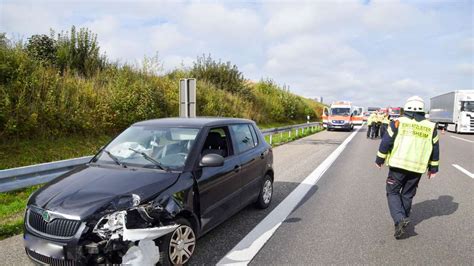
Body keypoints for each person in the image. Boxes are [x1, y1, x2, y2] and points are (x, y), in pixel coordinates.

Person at [375, 96, 439, 239]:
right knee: (407, 195)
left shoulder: (398, 122)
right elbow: (435, 149)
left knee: (392, 192)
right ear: (423, 109)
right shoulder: (431, 126)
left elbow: (386, 142)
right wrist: (433, 168)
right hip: (417, 168)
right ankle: (402, 219)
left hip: (398, 165)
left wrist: (380, 159)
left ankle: (400, 219)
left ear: (407, 108)